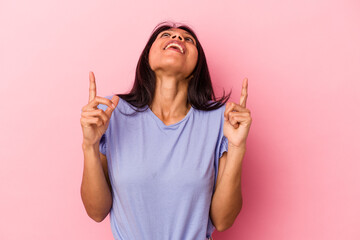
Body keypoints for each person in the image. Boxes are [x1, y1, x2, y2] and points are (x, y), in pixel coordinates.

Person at [80, 21, 252, 240]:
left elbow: (223, 220)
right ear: (147, 60)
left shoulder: (221, 119)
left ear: (196, 69)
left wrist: (237, 147)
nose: (178, 38)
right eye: (165, 35)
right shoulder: (111, 113)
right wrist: (89, 145)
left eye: (188, 40)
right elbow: (96, 212)